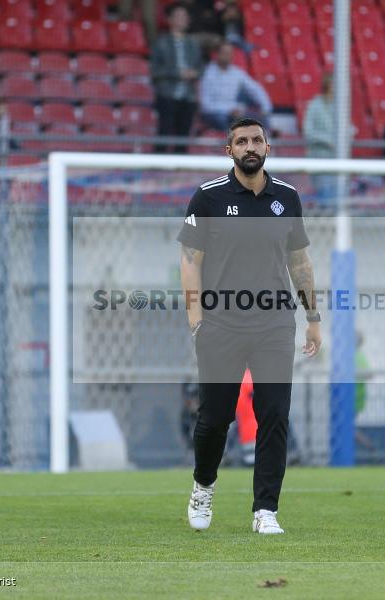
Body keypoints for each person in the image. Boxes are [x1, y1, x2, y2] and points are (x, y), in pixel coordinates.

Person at [178, 117, 321, 534]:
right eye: (241, 141)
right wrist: (196, 321)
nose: (250, 146)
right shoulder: (208, 197)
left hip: (274, 324)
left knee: (274, 413)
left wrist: (313, 317)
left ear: (267, 147)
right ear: (230, 151)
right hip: (220, 324)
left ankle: (265, 510)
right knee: (215, 418)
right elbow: (189, 262)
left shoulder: (287, 198)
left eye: (257, 139)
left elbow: (299, 261)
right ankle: (203, 486)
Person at [151, 3, 204, 154]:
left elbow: (201, 68)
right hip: (167, 95)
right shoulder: (160, 43)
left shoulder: (193, 44)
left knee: (183, 136)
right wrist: (177, 73)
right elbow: (155, 71)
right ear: (170, 20)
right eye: (179, 16)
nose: (183, 19)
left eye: (185, 16)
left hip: (188, 96)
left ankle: (180, 167)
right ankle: (158, 164)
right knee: (164, 133)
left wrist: (194, 73)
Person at [199, 42, 272, 131]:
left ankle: (270, 133)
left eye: (230, 53)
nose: (228, 56)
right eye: (225, 53)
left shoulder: (236, 73)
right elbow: (205, 105)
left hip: (233, 111)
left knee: (258, 119)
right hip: (213, 113)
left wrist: (265, 107)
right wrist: (228, 110)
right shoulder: (207, 73)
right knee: (224, 120)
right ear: (217, 54)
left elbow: (255, 89)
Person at [303, 74, 337, 201]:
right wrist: (327, 141)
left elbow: (348, 127)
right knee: (324, 195)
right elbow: (308, 131)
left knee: (335, 196)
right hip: (318, 157)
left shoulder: (340, 107)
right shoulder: (314, 105)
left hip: (336, 159)